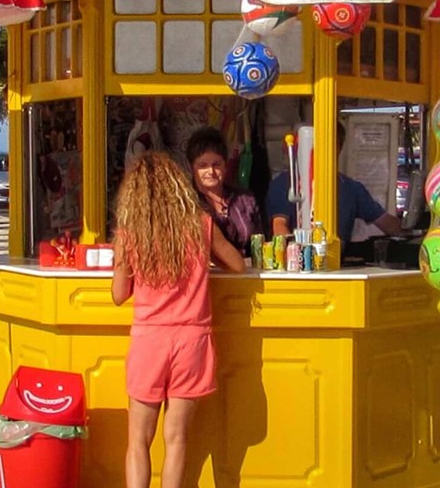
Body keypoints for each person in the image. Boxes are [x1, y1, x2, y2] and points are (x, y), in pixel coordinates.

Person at [110, 152, 247, 488]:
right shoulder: (201, 225)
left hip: (149, 341)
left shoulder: (131, 233)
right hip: (192, 341)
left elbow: (118, 294)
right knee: (177, 439)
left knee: (139, 441)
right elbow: (238, 265)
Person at [264, 123, 404, 247]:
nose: (325, 149)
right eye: (319, 143)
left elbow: (386, 222)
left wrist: (414, 230)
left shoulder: (351, 188)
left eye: (332, 143)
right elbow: (279, 227)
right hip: (300, 266)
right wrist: (299, 257)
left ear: (339, 147)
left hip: (337, 266)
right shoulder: (285, 183)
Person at [183, 127, 259, 258]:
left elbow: (262, 243)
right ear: (191, 167)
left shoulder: (246, 200)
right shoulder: (185, 203)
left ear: (225, 165)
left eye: (216, 164)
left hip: (247, 275)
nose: (211, 171)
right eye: (203, 165)